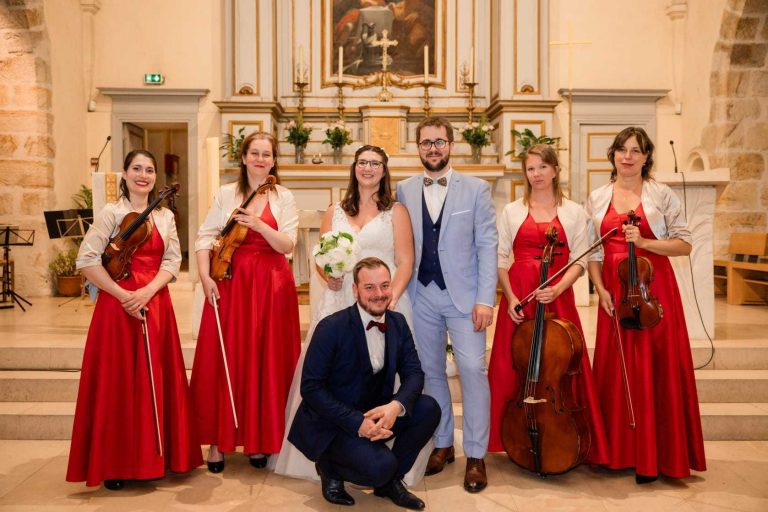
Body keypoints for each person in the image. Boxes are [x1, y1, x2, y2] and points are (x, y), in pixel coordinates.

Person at [274, 144, 431, 486]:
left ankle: (381, 442)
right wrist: (326, 274)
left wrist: (393, 299)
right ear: (354, 168)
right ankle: (338, 445)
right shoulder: (336, 211)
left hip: (382, 299)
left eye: (376, 163)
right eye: (363, 162)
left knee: (388, 374)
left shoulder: (396, 211)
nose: (369, 168)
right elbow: (322, 255)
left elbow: (405, 260)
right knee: (336, 377)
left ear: (384, 170)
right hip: (341, 298)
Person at [66, 149, 201, 489]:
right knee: (119, 384)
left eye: (150, 170)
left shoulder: (166, 217)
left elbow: (172, 262)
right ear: (124, 174)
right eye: (137, 169)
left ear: (156, 177)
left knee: (155, 381)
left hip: (154, 304)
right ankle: (115, 463)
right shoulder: (111, 213)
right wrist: (123, 294)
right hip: (116, 306)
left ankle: (160, 458)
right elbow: (87, 260)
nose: (144, 175)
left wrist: (146, 292)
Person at [586, 127, 706, 483]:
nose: (627, 156)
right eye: (622, 150)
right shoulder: (596, 197)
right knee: (618, 368)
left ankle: (658, 458)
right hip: (615, 293)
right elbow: (593, 251)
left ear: (646, 157)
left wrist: (646, 243)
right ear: (612, 155)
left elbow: (684, 244)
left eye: (636, 151)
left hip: (655, 291)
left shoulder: (661, 194)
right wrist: (599, 289)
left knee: (658, 367)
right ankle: (619, 454)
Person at [487, 144, 609, 465]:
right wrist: (510, 296)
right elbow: (500, 259)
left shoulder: (573, 212)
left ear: (555, 170)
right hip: (520, 296)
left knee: (562, 366)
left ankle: (568, 434)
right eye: (530, 169)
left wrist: (556, 289)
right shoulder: (512, 210)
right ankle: (511, 436)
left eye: (542, 167)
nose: (536, 174)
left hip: (557, 295)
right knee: (513, 363)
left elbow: (580, 260)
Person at [288, 257, 440, 510]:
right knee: (381, 466)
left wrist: (395, 407)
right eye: (369, 287)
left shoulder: (398, 323)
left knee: (428, 408)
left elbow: (414, 373)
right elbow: (311, 388)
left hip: (374, 410)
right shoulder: (331, 327)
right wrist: (357, 423)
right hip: (334, 423)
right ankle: (330, 468)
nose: (379, 294)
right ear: (355, 290)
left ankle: (389, 482)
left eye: (384, 285)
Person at [396, 116, 497, 493]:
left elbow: (488, 246)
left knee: (472, 369)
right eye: (426, 143)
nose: (433, 149)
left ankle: (475, 453)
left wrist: (486, 299)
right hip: (421, 295)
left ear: (451, 145)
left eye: (439, 142)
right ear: (417, 147)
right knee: (429, 371)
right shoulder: (404, 190)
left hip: (466, 298)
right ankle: (442, 444)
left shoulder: (476, 189)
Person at [190, 131, 300, 473]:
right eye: (255, 153)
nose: (261, 159)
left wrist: (257, 224)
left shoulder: (284, 197)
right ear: (243, 157)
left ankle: (259, 440)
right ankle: (217, 443)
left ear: (274, 160)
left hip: (272, 286)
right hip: (232, 282)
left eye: (267, 154)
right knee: (226, 358)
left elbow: (288, 244)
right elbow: (205, 237)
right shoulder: (227, 194)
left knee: (265, 359)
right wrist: (206, 278)